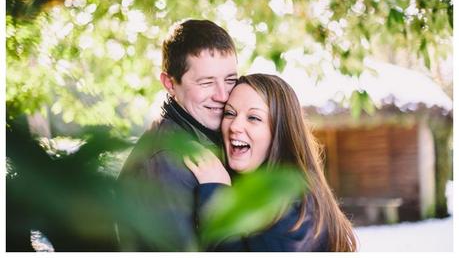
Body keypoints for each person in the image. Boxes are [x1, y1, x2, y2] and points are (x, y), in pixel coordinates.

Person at [184, 74, 358, 251]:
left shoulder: (296, 205)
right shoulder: (254, 189)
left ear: (279, 132)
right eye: (229, 113)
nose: (235, 126)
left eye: (253, 118)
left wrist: (215, 194)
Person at [116, 19, 238, 251]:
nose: (223, 95)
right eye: (206, 82)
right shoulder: (168, 161)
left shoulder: (206, 137)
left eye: (230, 80)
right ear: (170, 84)